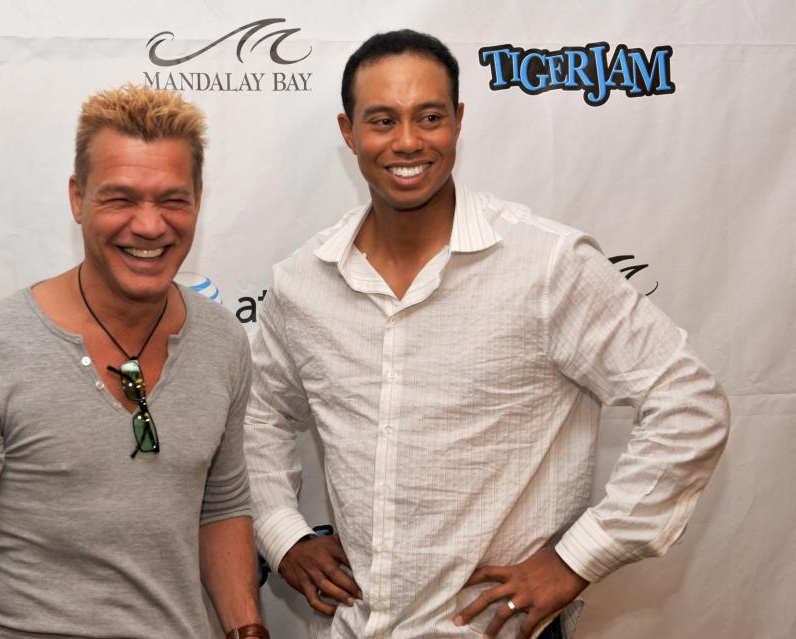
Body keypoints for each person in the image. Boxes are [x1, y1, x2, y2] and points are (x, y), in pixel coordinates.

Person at [244, 30, 729, 639]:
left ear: (458, 122)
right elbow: (257, 417)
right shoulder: (301, 283)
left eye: (429, 117)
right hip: (352, 626)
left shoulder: (547, 264)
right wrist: (283, 534)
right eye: (382, 120)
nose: (407, 141)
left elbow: (689, 405)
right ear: (349, 132)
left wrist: (577, 559)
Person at [0, 86, 269, 639]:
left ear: (197, 200)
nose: (149, 226)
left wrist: (248, 631)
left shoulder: (222, 340)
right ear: (77, 198)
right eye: (120, 199)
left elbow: (222, 505)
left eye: (173, 199)